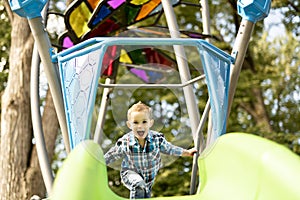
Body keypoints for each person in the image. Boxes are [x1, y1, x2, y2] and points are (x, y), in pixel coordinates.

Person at [104, 101, 197, 199]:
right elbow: (112, 154)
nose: (140, 126)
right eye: (135, 122)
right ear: (129, 125)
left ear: (150, 123)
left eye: (144, 122)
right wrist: (99, 162)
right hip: (130, 173)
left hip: (148, 180)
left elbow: (170, 149)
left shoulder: (157, 139)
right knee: (138, 184)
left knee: (144, 192)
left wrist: (187, 152)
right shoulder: (125, 142)